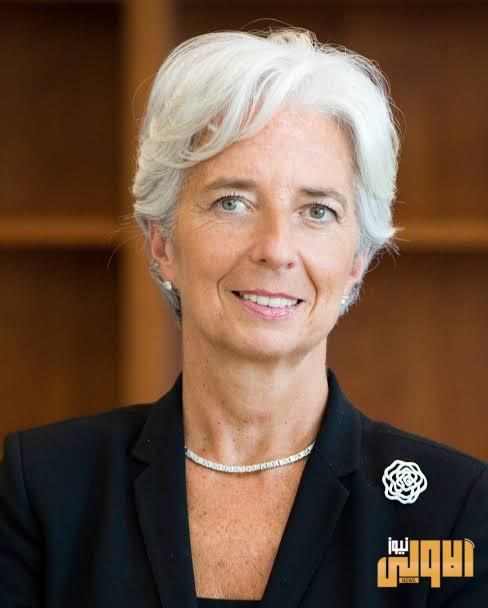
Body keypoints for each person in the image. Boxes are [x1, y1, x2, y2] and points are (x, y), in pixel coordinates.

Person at [1, 27, 487, 608]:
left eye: (317, 210)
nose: (276, 249)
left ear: (357, 259)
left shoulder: (450, 511)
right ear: (161, 242)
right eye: (232, 202)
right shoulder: (45, 489)